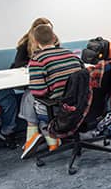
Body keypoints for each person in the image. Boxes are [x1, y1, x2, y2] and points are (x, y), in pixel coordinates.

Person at [23, 23, 85, 155]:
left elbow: (39, 92)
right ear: (54, 38)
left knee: (28, 96)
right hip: (81, 106)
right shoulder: (72, 55)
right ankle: (44, 137)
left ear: (35, 42)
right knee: (31, 98)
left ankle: (38, 136)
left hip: (60, 110)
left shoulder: (38, 60)